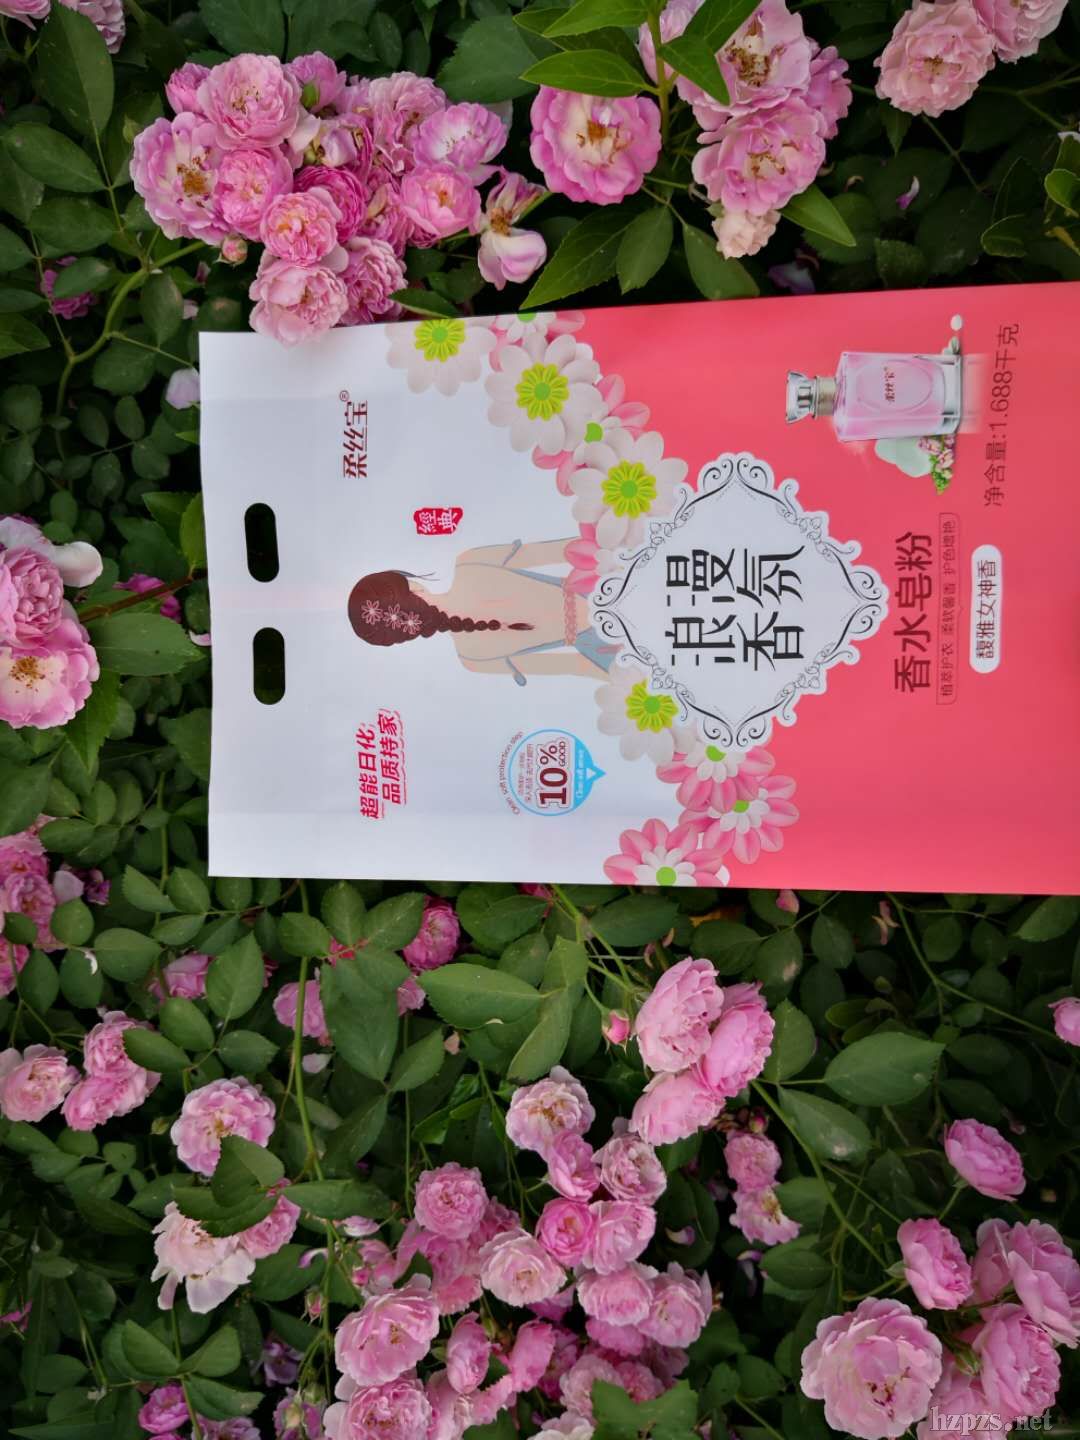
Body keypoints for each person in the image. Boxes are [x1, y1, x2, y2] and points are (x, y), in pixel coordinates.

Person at [347, 539, 618, 684]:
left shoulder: (472, 660)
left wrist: (624, 679)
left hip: (605, 648)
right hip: (603, 581)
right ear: (413, 586)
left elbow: (573, 666)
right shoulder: (469, 562)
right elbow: (560, 550)